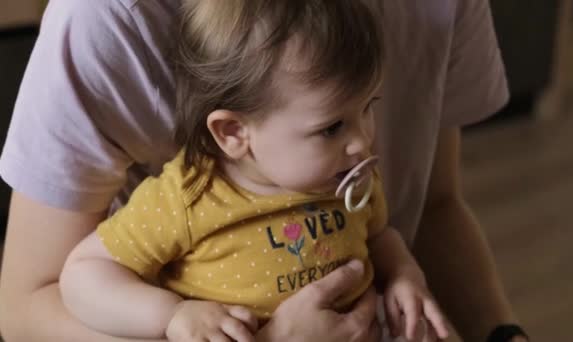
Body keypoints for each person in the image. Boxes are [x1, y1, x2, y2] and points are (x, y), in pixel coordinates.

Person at [0, 0, 529, 341]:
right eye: (330, 127)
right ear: (233, 133)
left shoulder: (347, 178)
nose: (365, 141)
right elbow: (36, 305)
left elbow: (423, 215)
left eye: (369, 108)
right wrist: (187, 324)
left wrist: (406, 275)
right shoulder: (186, 196)